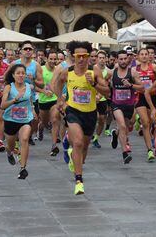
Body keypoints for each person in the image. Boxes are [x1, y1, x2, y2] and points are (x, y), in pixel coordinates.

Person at [53, 41, 110, 195]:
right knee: (77, 142)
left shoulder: (95, 71)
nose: (82, 59)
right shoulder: (67, 72)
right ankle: (79, 181)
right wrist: (60, 99)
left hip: (90, 113)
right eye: (79, 56)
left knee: (84, 147)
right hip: (73, 111)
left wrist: (95, 85)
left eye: (85, 55)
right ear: (73, 56)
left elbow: (107, 92)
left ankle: (75, 158)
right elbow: (56, 83)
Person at [109, 50, 144, 164]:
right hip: (116, 104)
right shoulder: (112, 73)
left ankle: (115, 134)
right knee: (122, 126)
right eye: (121, 59)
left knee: (126, 128)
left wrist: (131, 85)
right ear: (117, 60)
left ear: (128, 59)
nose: (123, 61)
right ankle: (125, 153)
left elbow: (142, 88)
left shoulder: (133, 73)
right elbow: (103, 84)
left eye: (125, 59)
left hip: (129, 105)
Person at [1, 64, 34, 179]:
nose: (21, 75)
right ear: (13, 75)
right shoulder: (9, 87)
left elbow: (30, 100)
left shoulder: (29, 86)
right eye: (18, 73)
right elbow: (2, 105)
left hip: (26, 119)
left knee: (24, 139)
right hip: (10, 120)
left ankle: (23, 168)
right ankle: (9, 152)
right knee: (10, 146)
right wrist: (14, 99)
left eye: (23, 73)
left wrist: (32, 110)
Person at [135, 48, 156, 162]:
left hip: (153, 97)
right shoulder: (135, 69)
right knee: (145, 123)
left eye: (146, 54)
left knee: (153, 123)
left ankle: (155, 142)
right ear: (138, 57)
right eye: (142, 54)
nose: (144, 56)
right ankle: (150, 150)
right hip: (140, 97)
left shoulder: (154, 67)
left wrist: (154, 87)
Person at [36, 49, 59, 155]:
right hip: (43, 100)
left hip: (55, 99)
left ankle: (54, 145)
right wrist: (43, 91)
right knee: (45, 122)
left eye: (55, 59)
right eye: (51, 59)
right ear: (46, 58)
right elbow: (34, 86)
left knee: (54, 120)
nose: (53, 61)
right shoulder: (41, 69)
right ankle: (41, 127)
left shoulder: (58, 70)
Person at [91, 50, 111, 149]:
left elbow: (106, 85)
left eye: (103, 58)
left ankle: (96, 138)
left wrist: (100, 95)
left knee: (102, 119)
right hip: (91, 98)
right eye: (100, 58)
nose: (102, 60)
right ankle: (89, 133)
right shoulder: (92, 70)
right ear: (96, 59)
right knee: (95, 118)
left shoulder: (109, 72)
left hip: (102, 99)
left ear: (106, 59)